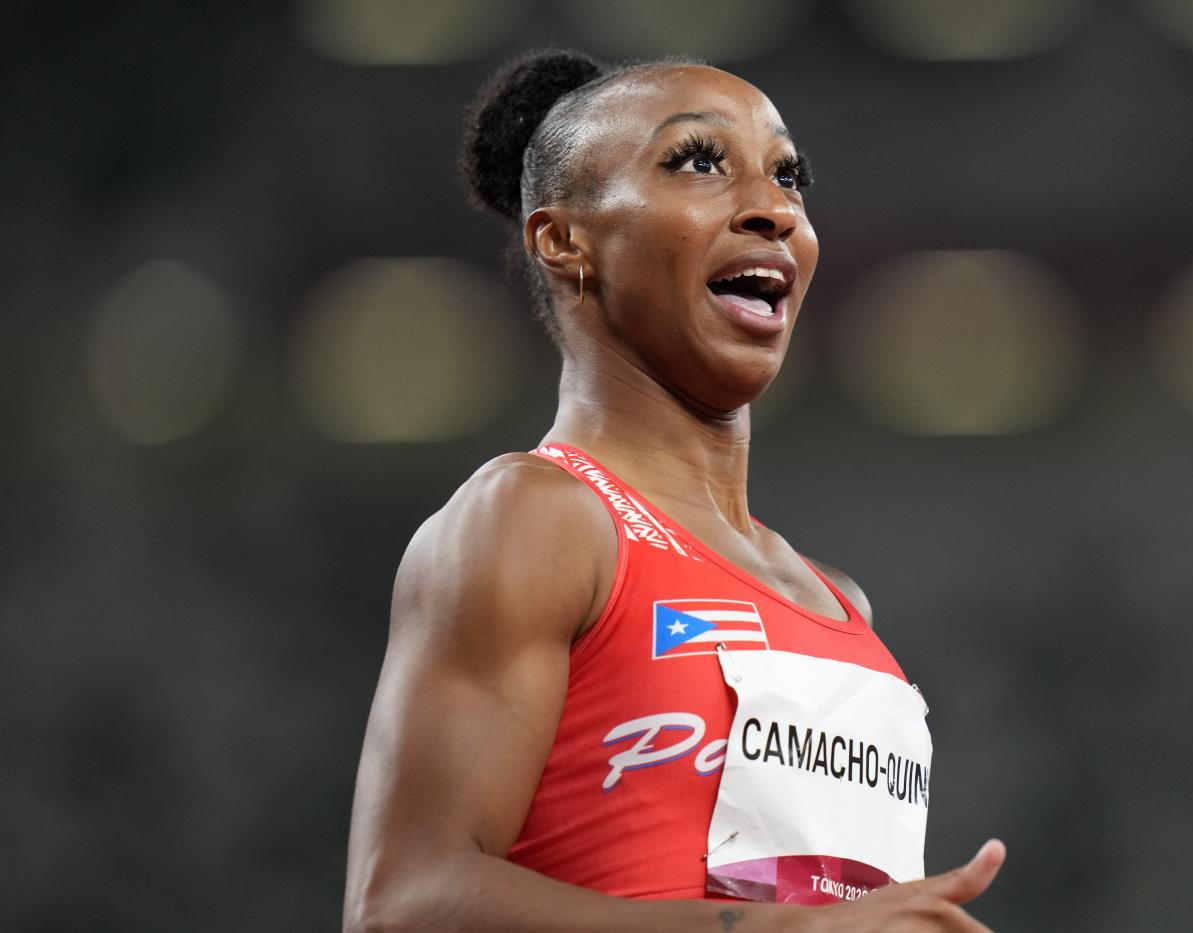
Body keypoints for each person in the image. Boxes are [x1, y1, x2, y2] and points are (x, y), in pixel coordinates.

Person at [342, 49, 1006, 932]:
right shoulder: (538, 517)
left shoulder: (840, 604)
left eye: (789, 176)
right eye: (697, 161)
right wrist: (773, 929)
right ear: (564, 241)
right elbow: (399, 902)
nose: (774, 208)